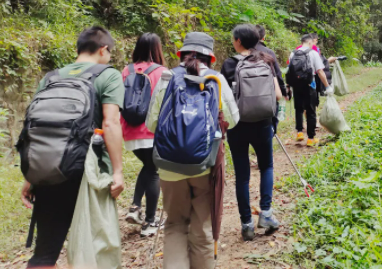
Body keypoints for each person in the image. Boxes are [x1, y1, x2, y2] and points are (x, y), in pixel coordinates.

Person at [20, 26, 125, 268]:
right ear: (104, 49)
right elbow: (110, 122)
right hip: (87, 171)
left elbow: (33, 128)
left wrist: (31, 175)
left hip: (48, 167)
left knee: (45, 253)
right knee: (93, 248)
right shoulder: (108, 75)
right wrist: (118, 171)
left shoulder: (51, 77)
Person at [146, 32, 239, 269]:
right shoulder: (216, 80)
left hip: (168, 165)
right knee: (202, 226)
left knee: (175, 223)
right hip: (205, 164)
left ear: (181, 54)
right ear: (211, 57)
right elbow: (233, 119)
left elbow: (151, 124)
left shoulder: (167, 78)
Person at [221, 25, 283, 241]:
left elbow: (223, 99)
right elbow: (277, 95)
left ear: (238, 40)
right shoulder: (267, 59)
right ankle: (266, 214)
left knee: (242, 175)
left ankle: (246, 224)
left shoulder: (229, 64)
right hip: (263, 123)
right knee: (266, 166)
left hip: (237, 125)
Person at [121, 33, 167, 237]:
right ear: (157, 49)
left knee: (148, 166)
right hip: (151, 130)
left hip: (129, 131)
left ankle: (134, 208)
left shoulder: (125, 71)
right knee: (154, 170)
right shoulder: (162, 72)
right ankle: (149, 222)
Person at [287, 34, 332, 146]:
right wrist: (327, 86)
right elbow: (320, 72)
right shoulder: (313, 53)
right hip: (309, 85)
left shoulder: (293, 53)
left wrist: (288, 85)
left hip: (296, 85)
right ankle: (311, 138)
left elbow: (289, 71)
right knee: (311, 110)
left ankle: (299, 133)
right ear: (310, 42)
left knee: (298, 108)